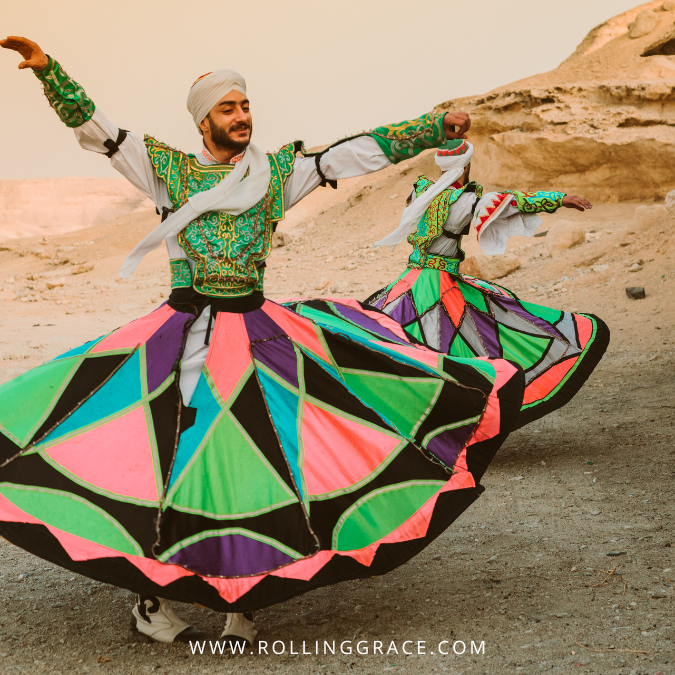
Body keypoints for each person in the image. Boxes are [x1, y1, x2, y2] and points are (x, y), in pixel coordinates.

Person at [0, 37, 526, 649]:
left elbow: (352, 154)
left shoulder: (277, 172)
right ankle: (155, 599)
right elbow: (101, 133)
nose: (242, 116)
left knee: (262, 466)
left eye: (245, 105)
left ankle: (244, 597)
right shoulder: (167, 168)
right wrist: (49, 72)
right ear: (203, 121)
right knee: (170, 468)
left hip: (255, 335)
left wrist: (429, 129)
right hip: (184, 337)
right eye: (228, 109)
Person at [361, 139, 609, 428]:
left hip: (410, 279)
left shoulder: (420, 190)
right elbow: (514, 200)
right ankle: (458, 418)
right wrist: (559, 199)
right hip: (438, 284)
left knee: (396, 338)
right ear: (466, 165)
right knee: (463, 342)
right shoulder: (466, 201)